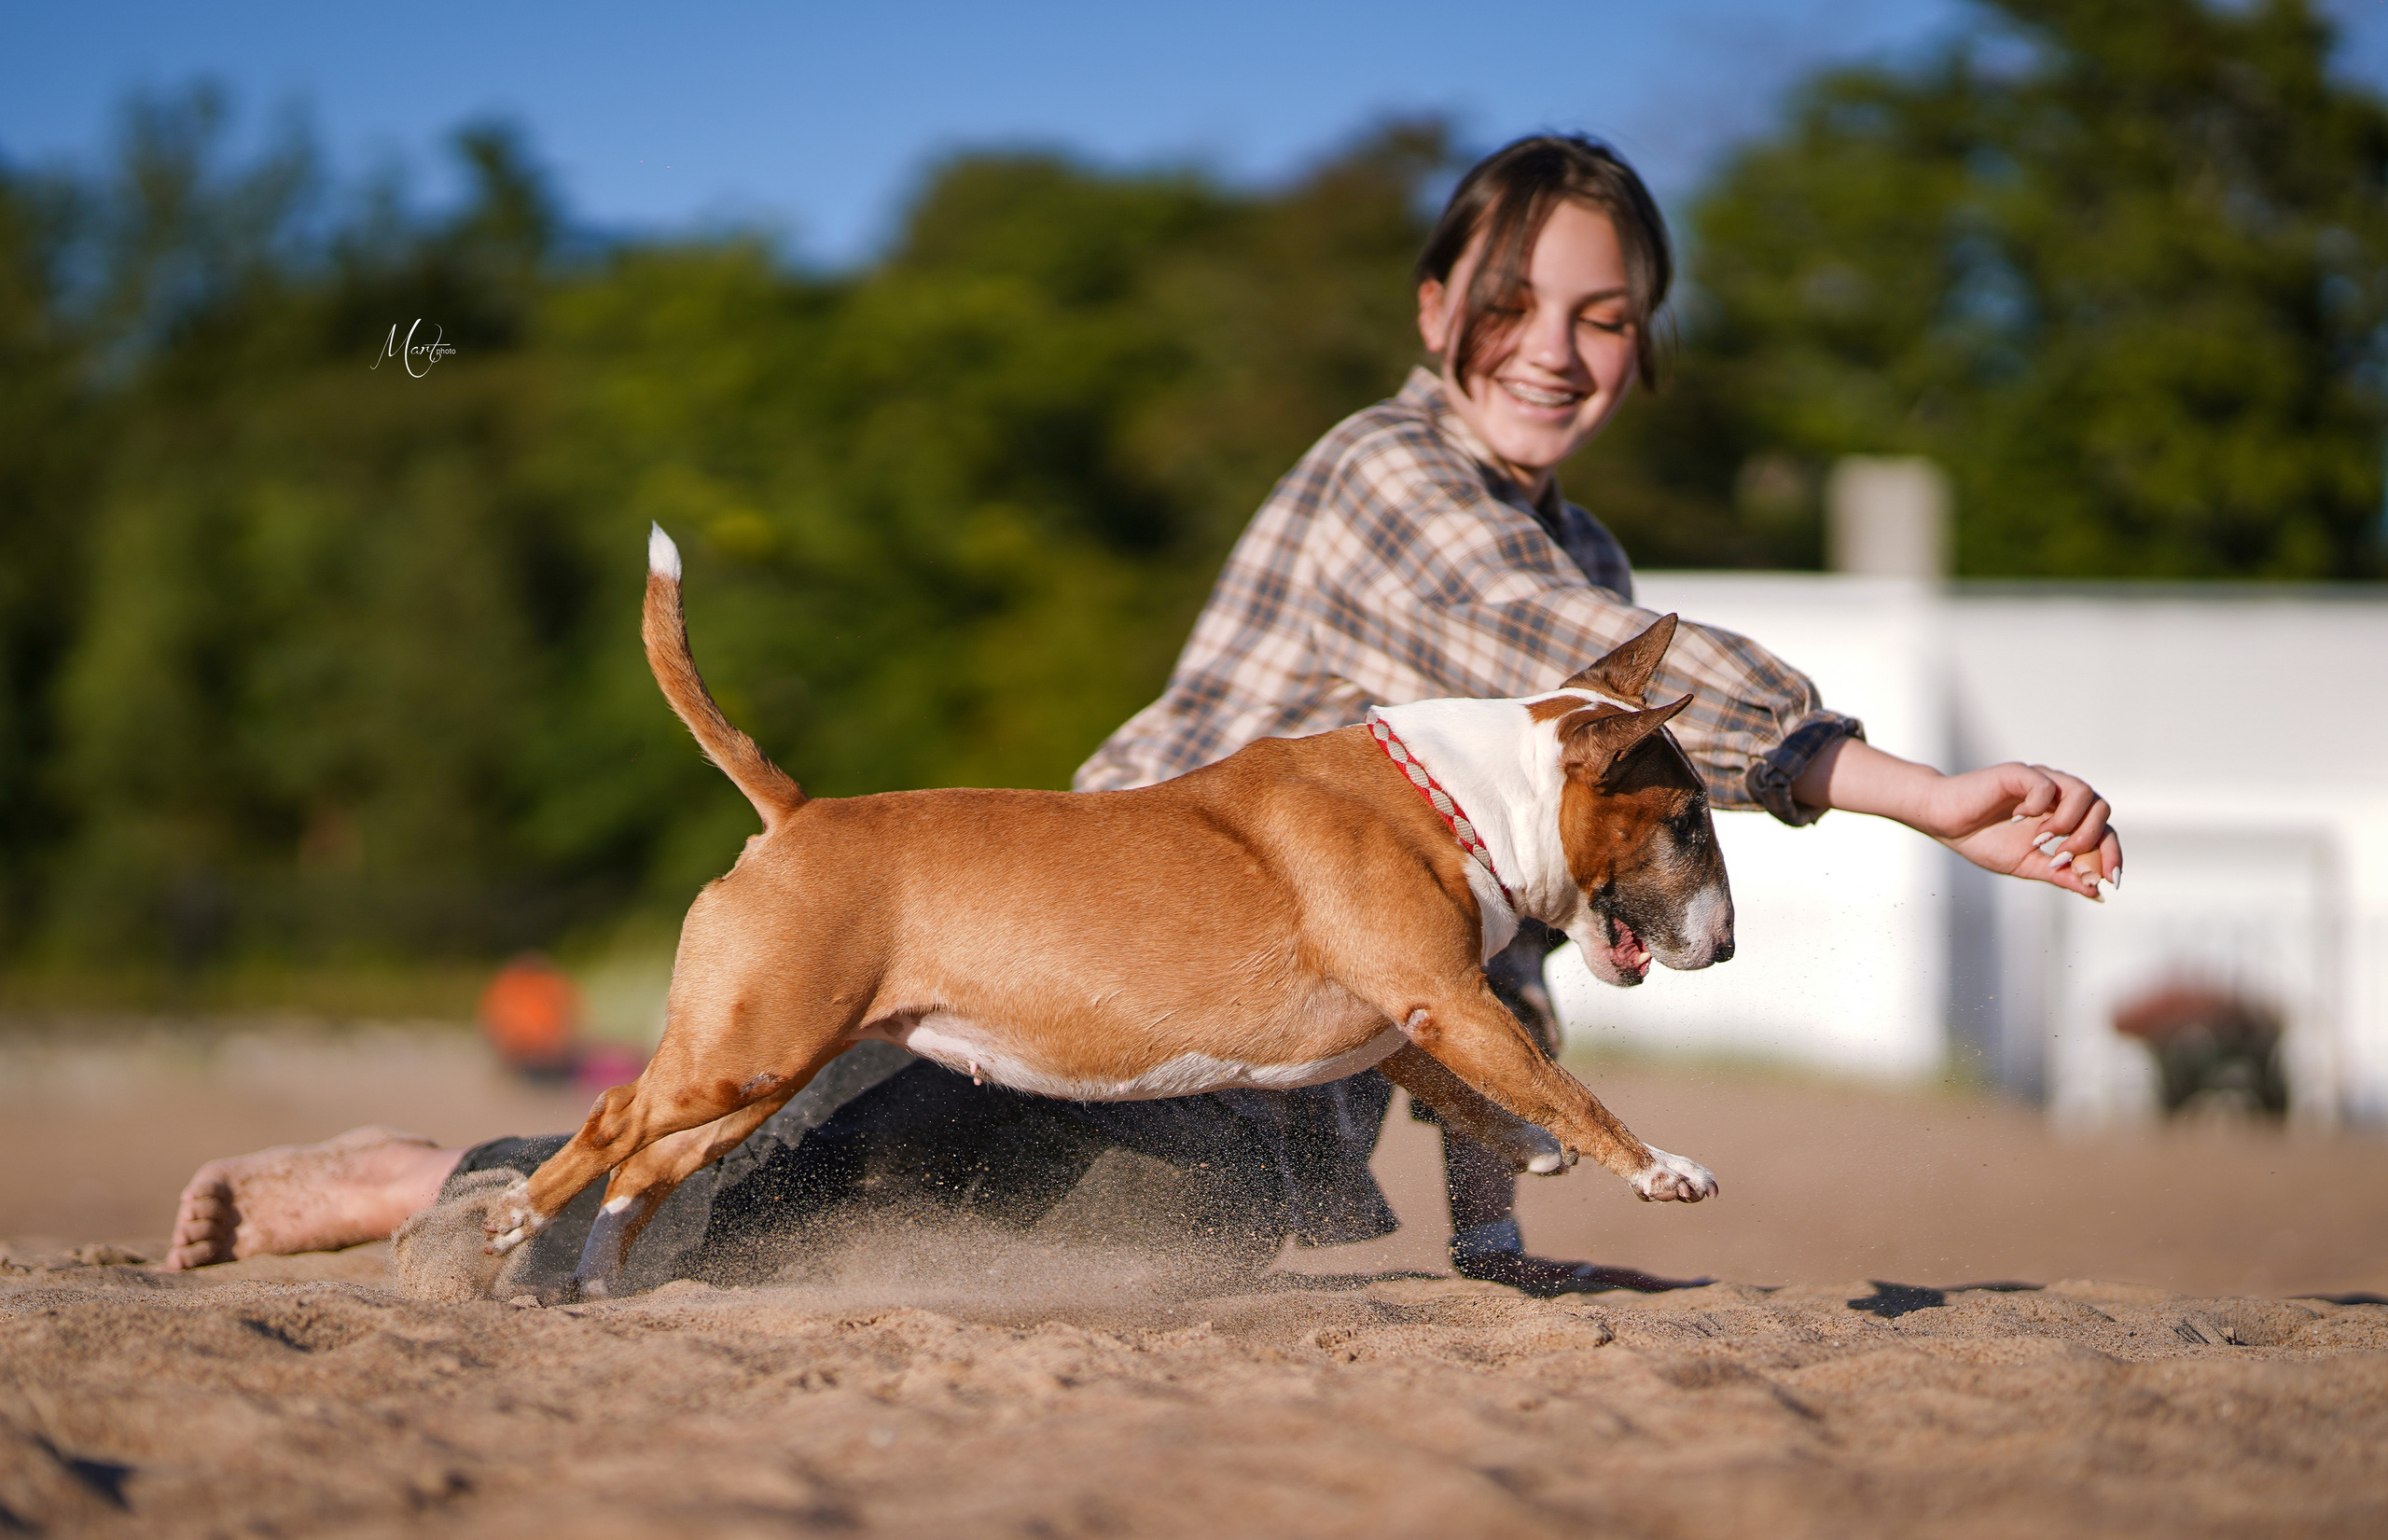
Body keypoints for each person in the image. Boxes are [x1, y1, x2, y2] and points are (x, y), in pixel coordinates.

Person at [165, 135, 2117, 1289]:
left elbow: (1472, 941)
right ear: (1434, 304)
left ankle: (499, 1179)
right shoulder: (1404, 490)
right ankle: (411, 1184)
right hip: (1066, 952)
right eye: (1511, 300)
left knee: (1168, 1237)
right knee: (758, 1202)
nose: (1551, 349)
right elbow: (1590, 692)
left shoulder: (1582, 560)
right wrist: (1909, 789)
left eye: (1600, 315)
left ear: (1644, 339)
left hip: (1260, 1053)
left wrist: (1489, 1239)